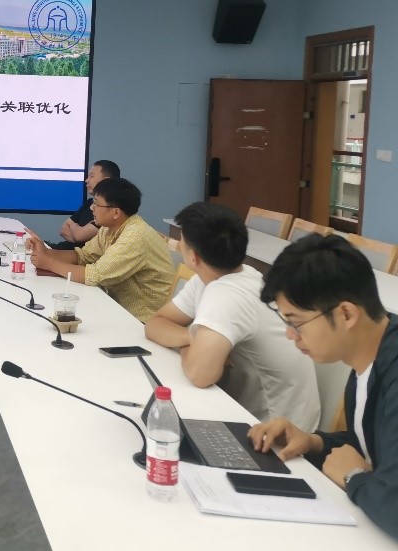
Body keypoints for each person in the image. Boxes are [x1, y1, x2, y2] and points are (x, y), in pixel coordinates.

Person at [248, 234, 398, 551]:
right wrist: (314, 443)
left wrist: (353, 477)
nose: (290, 335)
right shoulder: (375, 352)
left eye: (296, 322)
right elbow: (378, 443)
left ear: (347, 314)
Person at [144, 202, 320, 430]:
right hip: (244, 413)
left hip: (279, 432)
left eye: (182, 241)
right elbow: (155, 324)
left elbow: (200, 375)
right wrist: (193, 338)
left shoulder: (228, 294)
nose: (178, 244)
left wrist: (189, 342)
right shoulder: (217, 278)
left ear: (194, 257)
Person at [26, 178, 172, 322]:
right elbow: (82, 256)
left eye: (96, 203)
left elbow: (94, 275)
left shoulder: (135, 236)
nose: (91, 208)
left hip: (143, 320)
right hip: (117, 309)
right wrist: (45, 251)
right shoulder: (109, 229)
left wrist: (48, 263)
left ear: (116, 212)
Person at [49, 159, 121, 250]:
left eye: (91, 176)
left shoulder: (111, 210)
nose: (86, 180)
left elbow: (79, 235)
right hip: (60, 249)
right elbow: (63, 230)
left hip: (76, 255)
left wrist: (74, 226)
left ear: (106, 181)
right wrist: (77, 235)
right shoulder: (89, 202)